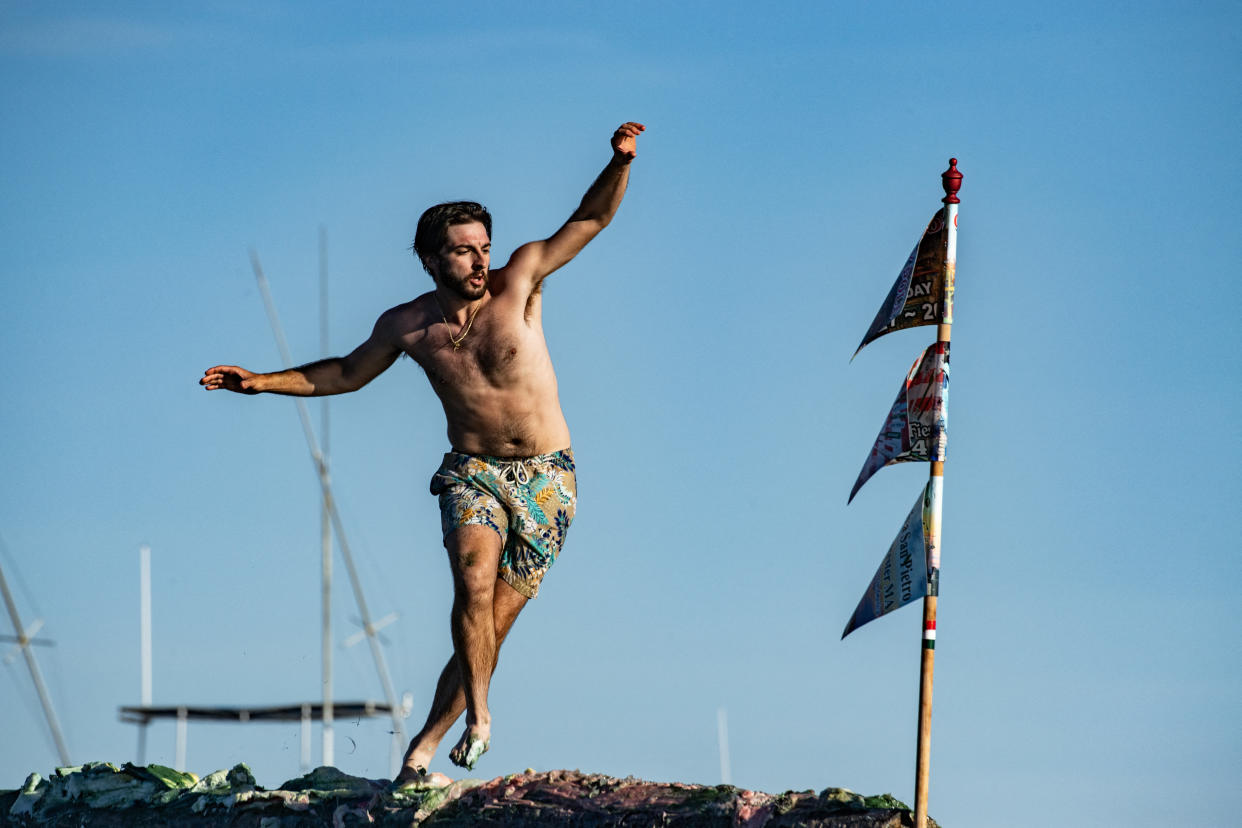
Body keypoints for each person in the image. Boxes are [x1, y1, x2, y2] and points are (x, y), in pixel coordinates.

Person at [200, 122, 645, 787]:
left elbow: (589, 219)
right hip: (472, 471)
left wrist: (619, 163)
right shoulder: (408, 325)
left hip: (549, 479)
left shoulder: (520, 280)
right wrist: (262, 381)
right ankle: (482, 718)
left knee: (491, 622)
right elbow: (346, 373)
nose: (478, 263)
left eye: (483, 249)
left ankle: (423, 746)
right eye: (463, 253)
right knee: (470, 586)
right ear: (430, 259)